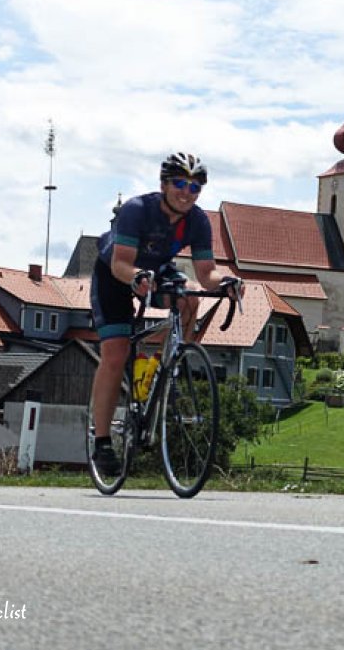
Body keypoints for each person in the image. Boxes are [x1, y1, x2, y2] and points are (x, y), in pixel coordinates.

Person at [89, 151, 238, 477]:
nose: (187, 192)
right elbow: (120, 264)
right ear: (164, 184)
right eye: (180, 183)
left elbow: (206, 274)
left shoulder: (197, 220)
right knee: (116, 352)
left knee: (189, 301)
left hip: (155, 270)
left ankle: (165, 373)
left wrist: (225, 282)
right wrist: (137, 278)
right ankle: (101, 441)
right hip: (115, 273)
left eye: (195, 187)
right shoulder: (137, 210)